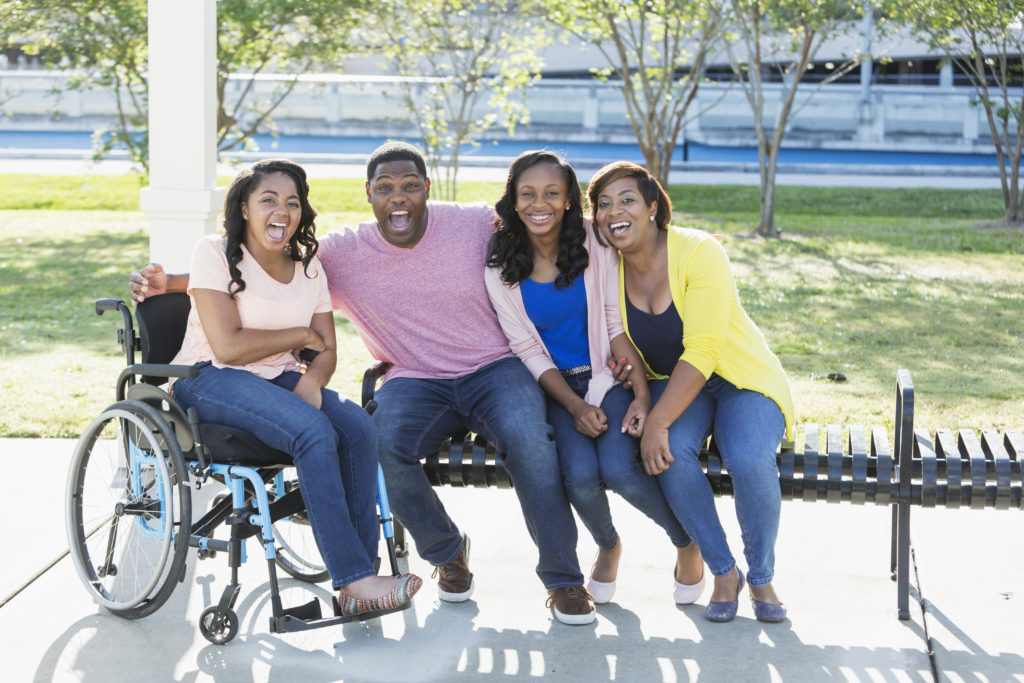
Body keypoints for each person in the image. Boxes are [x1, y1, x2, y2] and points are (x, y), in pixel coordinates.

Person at [130, 142, 596, 625]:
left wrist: (640, 241)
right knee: (379, 441)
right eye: (386, 188)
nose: (400, 198)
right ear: (368, 194)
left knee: (524, 441)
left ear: (427, 189)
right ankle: (435, 555)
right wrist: (169, 283)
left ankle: (563, 580)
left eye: (411, 186)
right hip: (407, 378)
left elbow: (547, 220)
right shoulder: (336, 254)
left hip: (492, 369)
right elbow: (239, 274)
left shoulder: (469, 224)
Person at [165, 159, 421, 616]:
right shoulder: (214, 252)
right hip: (206, 378)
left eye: (292, 202)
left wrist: (313, 381)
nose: (281, 211)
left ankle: (361, 575)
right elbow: (229, 346)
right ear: (244, 207)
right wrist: (299, 337)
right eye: (268, 200)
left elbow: (327, 350)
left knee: (359, 428)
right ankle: (355, 579)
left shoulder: (308, 267)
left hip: (280, 378)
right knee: (313, 431)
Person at [484, 150, 705, 606]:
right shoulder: (499, 266)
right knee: (580, 478)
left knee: (621, 469)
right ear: (513, 199)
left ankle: (685, 542)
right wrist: (574, 406)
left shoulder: (592, 242)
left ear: (568, 200)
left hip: (608, 380)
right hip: (558, 393)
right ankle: (608, 544)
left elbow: (613, 323)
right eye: (527, 194)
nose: (538, 203)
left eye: (551, 193)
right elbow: (526, 349)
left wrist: (641, 395)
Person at [587, 161, 795, 623]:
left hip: (741, 378)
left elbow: (704, 347)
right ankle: (724, 571)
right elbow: (620, 341)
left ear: (654, 206)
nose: (613, 212)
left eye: (627, 200)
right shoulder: (608, 268)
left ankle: (761, 577)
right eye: (602, 204)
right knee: (668, 454)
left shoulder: (699, 250)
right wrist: (645, 402)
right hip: (678, 383)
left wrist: (658, 420)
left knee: (746, 457)